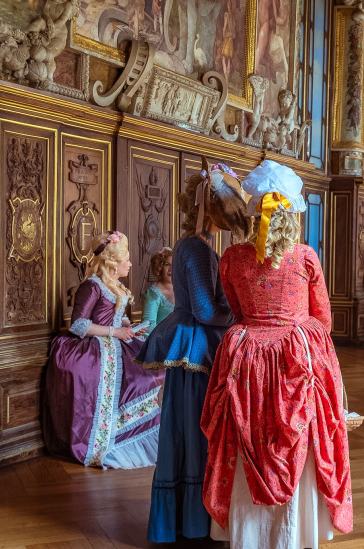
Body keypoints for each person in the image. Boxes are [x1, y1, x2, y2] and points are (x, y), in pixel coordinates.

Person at [201, 159, 353, 547]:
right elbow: (323, 318)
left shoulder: (232, 257)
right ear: (292, 213)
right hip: (296, 356)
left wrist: (259, 325)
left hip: (245, 354)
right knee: (298, 435)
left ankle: (247, 532)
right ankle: (297, 531)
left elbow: (236, 307)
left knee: (246, 433)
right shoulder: (305, 256)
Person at [136, 160, 250, 543]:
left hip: (190, 343)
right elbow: (204, 310)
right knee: (197, 430)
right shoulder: (198, 249)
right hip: (197, 345)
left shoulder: (189, 244)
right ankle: (196, 520)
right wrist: (240, 314)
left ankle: (180, 520)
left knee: (183, 430)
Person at [44, 231, 163, 469]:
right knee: (138, 375)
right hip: (95, 346)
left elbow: (118, 319)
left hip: (116, 341)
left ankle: (132, 433)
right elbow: (78, 325)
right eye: (126, 259)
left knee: (154, 370)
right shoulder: (92, 286)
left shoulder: (116, 286)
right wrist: (115, 332)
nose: (130, 263)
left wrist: (130, 327)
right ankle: (110, 438)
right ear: (113, 263)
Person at [141, 247, 175, 336]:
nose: (171, 269)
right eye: (167, 264)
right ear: (160, 267)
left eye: (175, 264)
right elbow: (148, 326)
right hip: (162, 340)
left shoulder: (184, 289)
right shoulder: (153, 294)